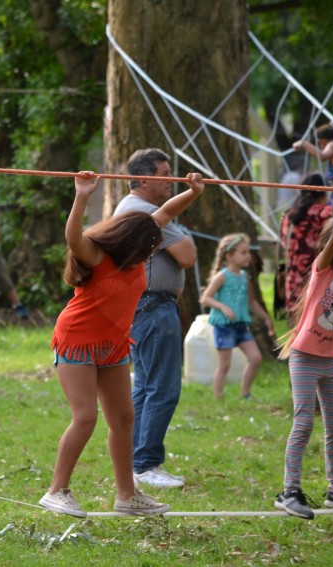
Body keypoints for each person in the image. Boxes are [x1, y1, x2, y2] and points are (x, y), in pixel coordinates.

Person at [39, 171, 204, 518]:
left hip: (113, 345)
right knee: (85, 419)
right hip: (78, 340)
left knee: (124, 418)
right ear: (131, 243)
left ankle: (127, 495)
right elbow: (73, 237)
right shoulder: (99, 255)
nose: (151, 254)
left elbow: (165, 215)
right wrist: (82, 194)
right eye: (148, 249)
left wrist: (193, 192)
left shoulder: (139, 248)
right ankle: (57, 490)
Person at [114, 148, 198, 489]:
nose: (172, 179)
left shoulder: (136, 209)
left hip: (145, 307)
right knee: (162, 388)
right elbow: (188, 256)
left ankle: (136, 461)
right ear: (145, 178)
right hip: (151, 307)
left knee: (146, 387)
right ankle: (145, 464)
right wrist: (184, 235)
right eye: (165, 174)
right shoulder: (142, 212)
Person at [276, 214, 333, 519]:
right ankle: (289, 491)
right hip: (304, 357)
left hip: (330, 361)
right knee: (304, 422)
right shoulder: (323, 270)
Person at [199, 233, 275, 399]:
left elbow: (252, 302)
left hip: (241, 326)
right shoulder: (222, 276)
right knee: (225, 364)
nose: (248, 256)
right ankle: (218, 397)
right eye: (243, 252)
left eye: (248, 252)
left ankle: (245, 393)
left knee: (255, 358)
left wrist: (266, 318)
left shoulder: (245, 278)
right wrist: (222, 306)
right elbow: (206, 298)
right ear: (229, 256)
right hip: (224, 327)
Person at [279, 174, 332, 318]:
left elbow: (284, 243)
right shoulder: (323, 212)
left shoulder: (288, 215)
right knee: (315, 317)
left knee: (296, 321)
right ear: (322, 192)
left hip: (292, 277)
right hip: (315, 273)